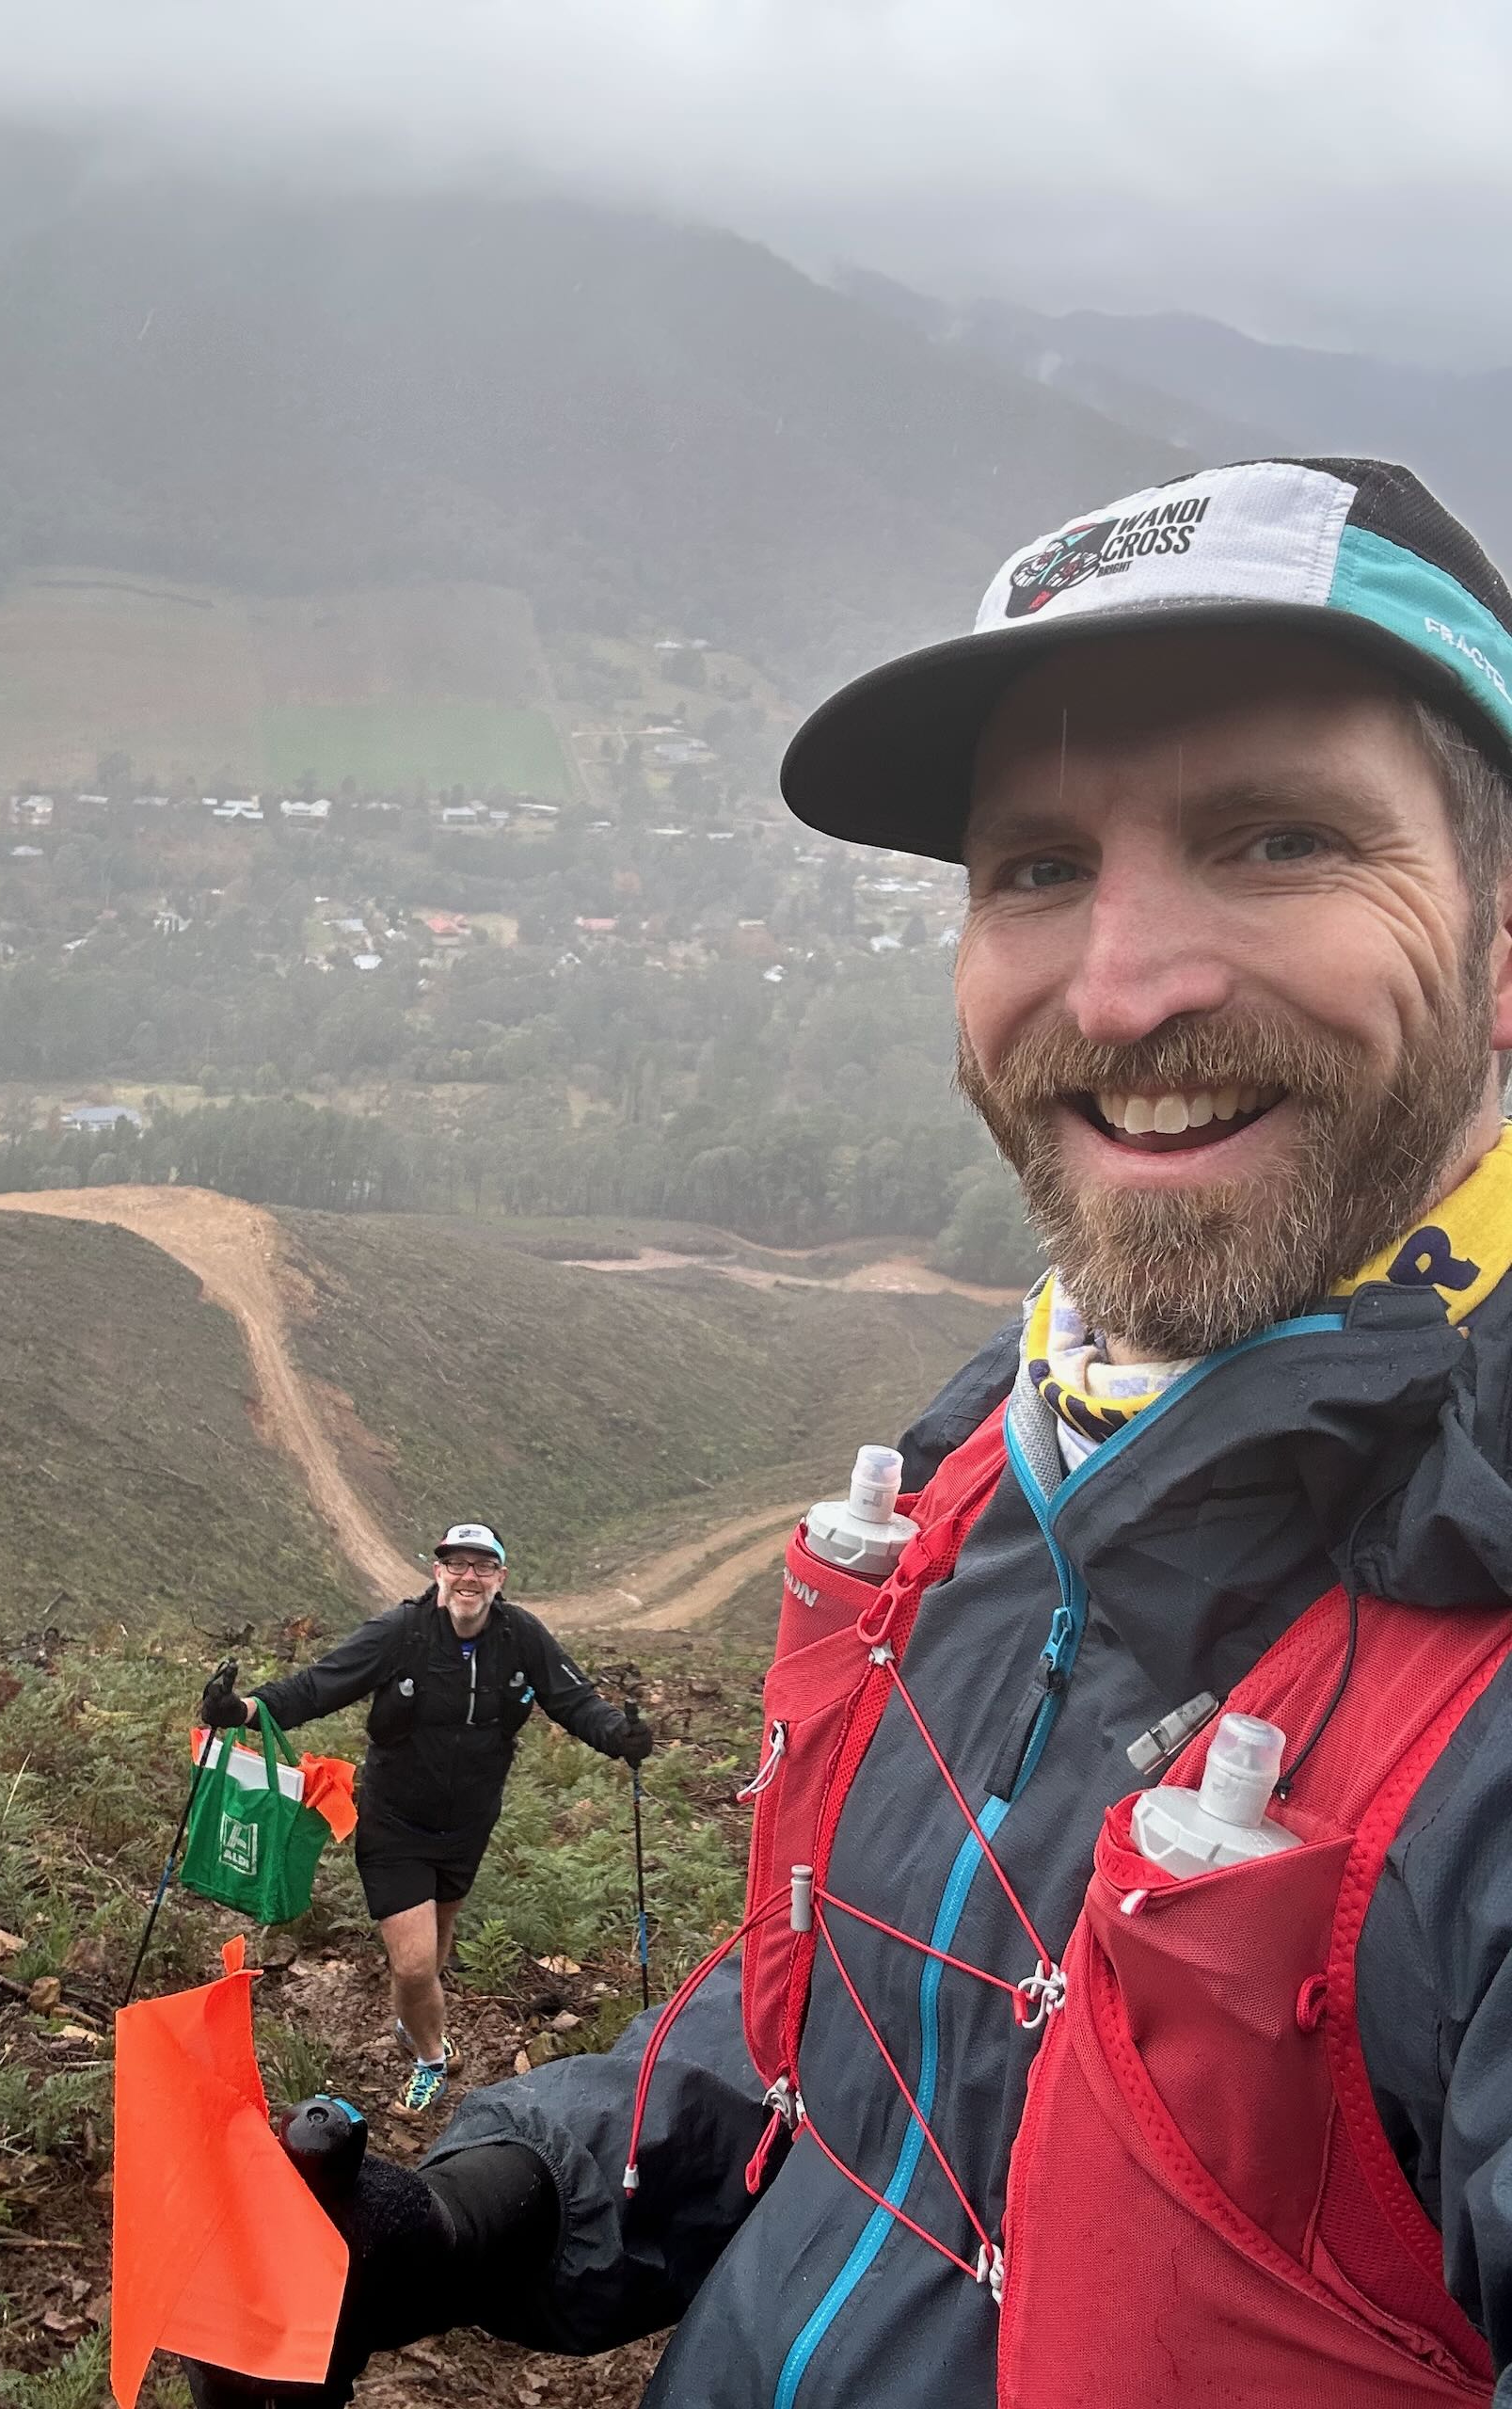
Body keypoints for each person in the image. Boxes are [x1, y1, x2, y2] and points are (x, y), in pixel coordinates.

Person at [194, 457, 1512, 2407]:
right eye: (1037, 867)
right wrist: (483, 2198)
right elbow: (882, 2020)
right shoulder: (1011, 1450)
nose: (1125, 983)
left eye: (1282, 838)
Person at [199, 1519, 651, 2116]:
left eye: (482, 1565)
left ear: (500, 1577)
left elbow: (574, 1701)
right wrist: (245, 1710)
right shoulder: (401, 1633)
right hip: (395, 1821)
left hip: (468, 1824)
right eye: (456, 1564)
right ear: (438, 1572)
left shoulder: (522, 1637)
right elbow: (319, 1686)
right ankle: (432, 2056)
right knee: (414, 1967)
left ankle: (412, 2020)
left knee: (432, 1952)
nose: (469, 1576)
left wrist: (620, 1736)